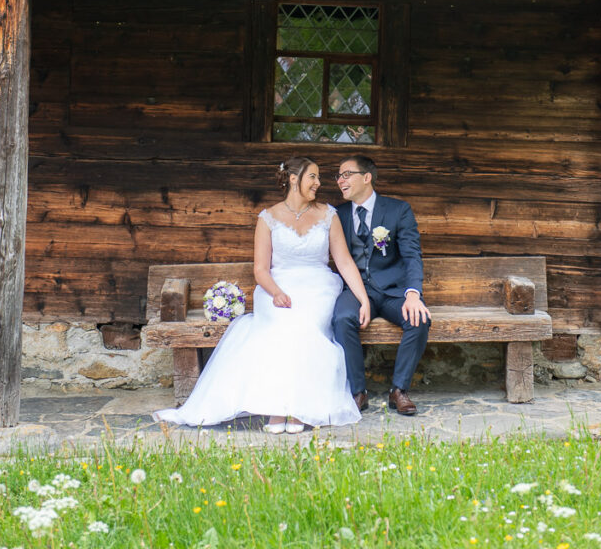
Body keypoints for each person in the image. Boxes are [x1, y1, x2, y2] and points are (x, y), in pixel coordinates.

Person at [153, 155, 371, 433]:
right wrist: (276, 293)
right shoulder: (268, 218)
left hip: (318, 287)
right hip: (275, 286)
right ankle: (277, 409)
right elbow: (260, 269)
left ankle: (300, 409)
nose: (319, 182)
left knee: (305, 327)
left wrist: (363, 299)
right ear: (294, 179)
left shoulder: (329, 214)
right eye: (312, 176)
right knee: (277, 328)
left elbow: (344, 262)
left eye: (318, 177)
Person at [333, 155, 431, 416]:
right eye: (338, 176)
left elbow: (412, 255)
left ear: (367, 177)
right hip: (355, 291)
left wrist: (413, 294)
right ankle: (357, 391)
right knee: (342, 318)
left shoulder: (398, 210)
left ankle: (399, 390)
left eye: (346, 174)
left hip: (391, 291)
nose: (340, 180)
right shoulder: (336, 215)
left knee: (419, 319)